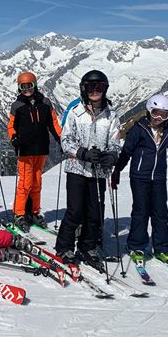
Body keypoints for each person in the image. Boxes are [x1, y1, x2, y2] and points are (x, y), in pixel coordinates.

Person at [54, 70, 122, 271]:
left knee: (95, 212)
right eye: (91, 87)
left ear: (105, 89)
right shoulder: (76, 112)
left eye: (99, 87)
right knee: (75, 211)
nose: (95, 91)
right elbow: (66, 140)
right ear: (84, 89)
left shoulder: (111, 116)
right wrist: (81, 153)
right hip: (77, 169)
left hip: (99, 172)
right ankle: (64, 246)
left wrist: (111, 155)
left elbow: (116, 142)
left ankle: (88, 246)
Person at [111, 94, 168, 264]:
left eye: (164, 115)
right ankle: (136, 246)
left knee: (161, 213)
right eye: (155, 113)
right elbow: (126, 152)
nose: (159, 118)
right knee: (141, 212)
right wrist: (117, 170)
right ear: (148, 111)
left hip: (159, 178)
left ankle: (162, 248)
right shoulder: (138, 129)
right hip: (139, 177)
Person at [7, 71, 61, 231]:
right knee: (25, 183)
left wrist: (60, 138)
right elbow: (11, 126)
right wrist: (14, 139)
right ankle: (19, 213)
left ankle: (35, 211)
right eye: (23, 87)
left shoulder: (45, 102)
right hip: (24, 150)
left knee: (37, 182)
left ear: (35, 85)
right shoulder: (17, 106)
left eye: (29, 86)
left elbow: (53, 123)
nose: (27, 90)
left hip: (41, 148)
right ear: (19, 88)